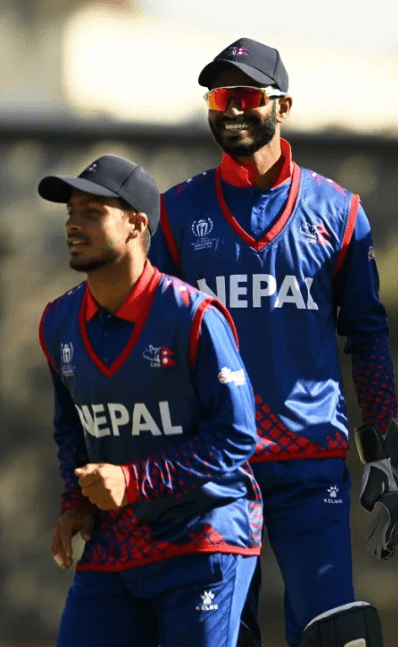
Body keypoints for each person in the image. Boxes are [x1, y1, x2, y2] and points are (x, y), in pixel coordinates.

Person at [149, 38, 397, 647]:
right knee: (217, 637)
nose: (232, 109)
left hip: (310, 465)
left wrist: (384, 453)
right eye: (219, 97)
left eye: (246, 95)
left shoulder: (339, 211)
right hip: (213, 469)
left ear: (282, 106)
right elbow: (154, 345)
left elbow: (367, 335)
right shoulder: (177, 212)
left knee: (331, 633)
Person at [38, 154, 261, 647]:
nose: (73, 224)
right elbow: (71, 427)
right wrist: (77, 500)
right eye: (71, 212)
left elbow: (236, 436)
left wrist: (133, 480)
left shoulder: (192, 316)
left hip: (202, 538)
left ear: (137, 224)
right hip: (116, 544)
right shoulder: (58, 322)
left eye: (92, 212)